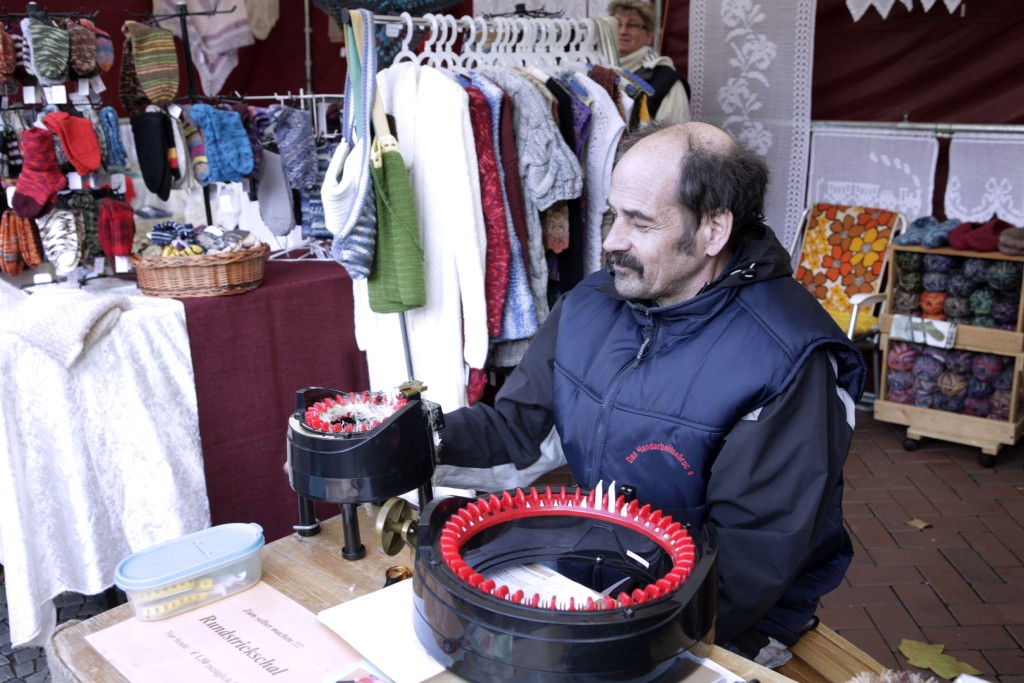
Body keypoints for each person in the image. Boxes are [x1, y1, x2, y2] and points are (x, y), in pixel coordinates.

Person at [435, 121, 866, 668]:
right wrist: (409, 436)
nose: (612, 241)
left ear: (713, 230)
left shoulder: (788, 358)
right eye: (614, 215)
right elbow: (518, 433)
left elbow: (748, 561)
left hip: (725, 618)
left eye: (639, 222)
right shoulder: (591, 304)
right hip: (608, 576)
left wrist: (602, 646)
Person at [609, 0, 690, 122]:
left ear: (649, 36)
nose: (622, 31)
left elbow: (674, 132)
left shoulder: (666, 81)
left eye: (632, 25)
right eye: (617, 24)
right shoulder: (598, 71)